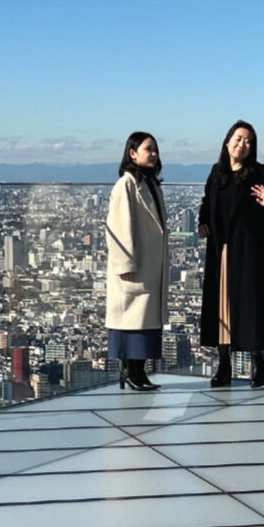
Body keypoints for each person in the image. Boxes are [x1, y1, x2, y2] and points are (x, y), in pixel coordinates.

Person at [198, 120, 264, 387]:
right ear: (227, 140)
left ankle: (258, 364)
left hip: (249, 251)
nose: (242, 144)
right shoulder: (216, 173)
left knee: (249, 305)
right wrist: (202, 222)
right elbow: (207, 202)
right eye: (239, 138)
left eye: (248, 141)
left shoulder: (259, 173)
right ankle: (224, 365)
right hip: (220, 249)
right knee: (221, 307)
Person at [105, 131, 169, 391]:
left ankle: (138, 372)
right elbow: (118, 228)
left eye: (155, 149)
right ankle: (131, 372)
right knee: (133, 320)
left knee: (144, 321)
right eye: (147, 149)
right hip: (136, 265)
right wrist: (125, 265)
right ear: (132, 153)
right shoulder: (126, 184)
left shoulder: (151, 184)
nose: (153, 153)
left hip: (149, 264)